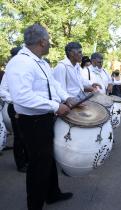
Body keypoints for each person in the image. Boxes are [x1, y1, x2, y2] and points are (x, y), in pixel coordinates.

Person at [6, 23, 76, 210]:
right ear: (42, 42)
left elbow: (53, 86)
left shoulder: (41, 62)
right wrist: (55, 106)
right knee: (38, 166)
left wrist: (67, 98)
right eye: (49, 41)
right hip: (32, 122)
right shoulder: (20, 62)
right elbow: (22, 97)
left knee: (48, 159)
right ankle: (34, 206)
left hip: (44, 118)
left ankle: (52, 193)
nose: (50, 44)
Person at [0, 46, 28, 172]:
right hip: (15, 108)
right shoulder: (9, 72)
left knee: (26, 136)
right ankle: (20, 164)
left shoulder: (24, 70)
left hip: (25, 108)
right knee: (19, 137)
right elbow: (2, 91)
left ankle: (27, 160)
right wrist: (16, 100)